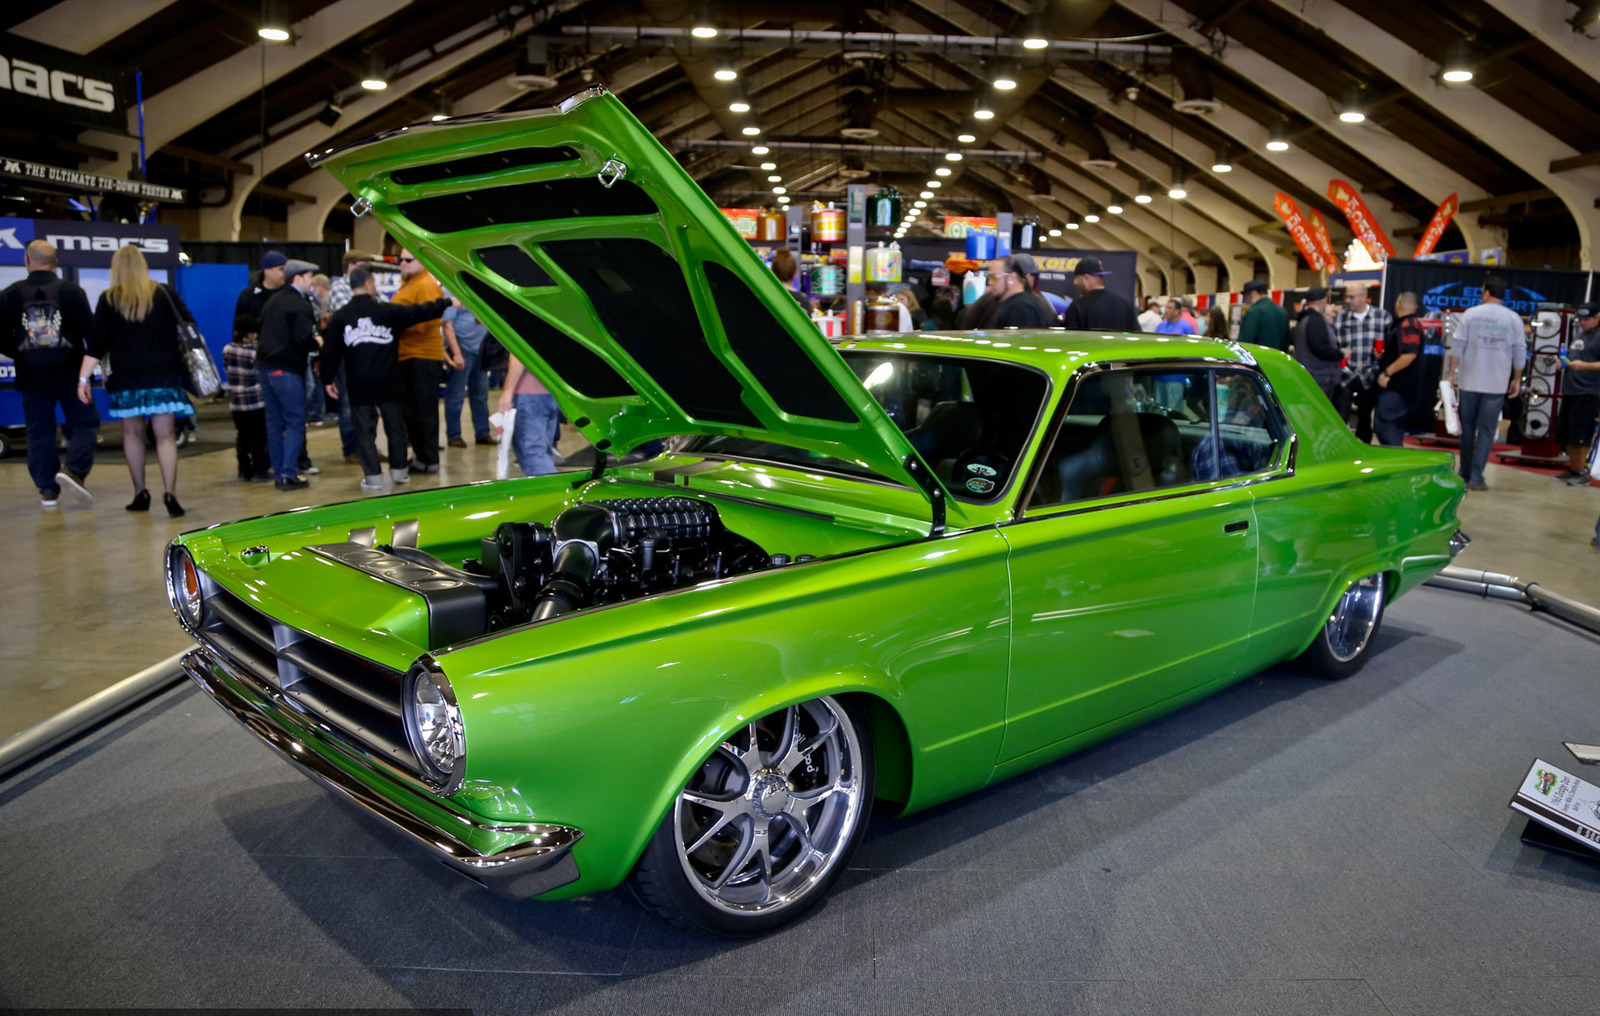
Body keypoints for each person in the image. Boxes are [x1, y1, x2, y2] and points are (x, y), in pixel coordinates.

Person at [77, 244, 194, 517]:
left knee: (132, 434)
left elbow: (96, 345)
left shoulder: (109, 299)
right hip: (164, 374)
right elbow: (189, 325)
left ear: (116, 269)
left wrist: (83, 379)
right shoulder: (164, 293)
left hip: (126, 377)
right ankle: (171, 493)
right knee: (164, 436)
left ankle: (140, 493)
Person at [320, 266, 451, 490]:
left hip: (359, 383)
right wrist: (447, 302)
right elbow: (421, 311)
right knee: (395, 428)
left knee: (365, 432)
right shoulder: (387, 312)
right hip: (389, 380)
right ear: (370, 283)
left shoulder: (341, 317)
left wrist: (327, 379)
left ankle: (373, 478)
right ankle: (399, 473)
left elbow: (330, 351)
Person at [0, 240, 98, 507]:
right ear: (55, 263)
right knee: (85, 423)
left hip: (31, 376)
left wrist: (19, 352)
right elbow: (91, 332)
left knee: (39, 432)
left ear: (27, 261)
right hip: (71, 372)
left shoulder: (10, 294)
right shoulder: (72, 292)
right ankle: (75, 471)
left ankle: (47, 490)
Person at [1448, 276, 1526, 492]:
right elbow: (1520, 350)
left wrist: (1451, 374)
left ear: (1486, 292)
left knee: (1467, 429)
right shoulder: (1513, 319)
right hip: (1497, 384)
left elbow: (1458, 345)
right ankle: (1476, 476)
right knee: (1486, 431)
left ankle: (1463, 473)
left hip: (1470, 381)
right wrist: (1517, 378)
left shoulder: (1471, 314)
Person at [255, 258, 322, 491]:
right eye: (310, 277)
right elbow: (303, 340)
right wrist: (318, 342)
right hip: (287, 369)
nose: (312, 282)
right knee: (294, 422)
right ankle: (288, 474)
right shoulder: (299, 304)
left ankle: (279, 471)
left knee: (273, 423)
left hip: (265, 368)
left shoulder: (272, 302)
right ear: (299, 278)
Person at [394, 248, 462, 474]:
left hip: (422, 355)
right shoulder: (410, 283)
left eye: (408, 260)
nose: (403, 263)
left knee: (423, 410)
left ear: (421, 261)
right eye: (400, 260)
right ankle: (422, 455)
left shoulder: (425, 285)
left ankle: (428, 458)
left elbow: (424, 323)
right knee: (412, 410)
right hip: (408, 354)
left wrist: (395, 324)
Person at [325, 249, 377, 465]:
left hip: (368, 356)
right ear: (351, 265)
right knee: (347, 404)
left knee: (370, 403)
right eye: (364, 265)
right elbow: (349, 316)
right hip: (347, 356)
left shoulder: (369, 286)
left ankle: (369, 447)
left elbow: (379, 309)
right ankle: (351, 448)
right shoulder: (338, 288)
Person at [1333, 284, 1392, 444]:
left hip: (1369, 374)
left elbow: (1391, 345)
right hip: (1345, 373)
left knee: (1365, 418)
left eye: (1351, 297)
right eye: (1347, 296)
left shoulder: (1382, 317)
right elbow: (1334, 346)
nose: (1347, 300)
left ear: (1363, 296)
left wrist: (1382, 354)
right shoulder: (1340, 318)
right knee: (1339, 416)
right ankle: (1339, 448)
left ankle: (1363, 449)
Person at [1555, 302, 1600, 486]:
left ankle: (1581, 470)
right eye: (1580, 319)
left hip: (1588, 390)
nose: (1582, 323)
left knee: (1582, 432)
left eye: (1586, 319)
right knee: (1569, 432)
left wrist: (1585, 366)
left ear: (1597, 318)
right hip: (1571, 388)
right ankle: (1573, 468)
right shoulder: (1580, 334)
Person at [1373, 292, 1426, 447]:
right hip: (1401, 387)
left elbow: (1409, 354)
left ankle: (1393, 463)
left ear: (1398, 304)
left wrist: (1387, 372)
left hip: (1398, 387)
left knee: (1386, 427)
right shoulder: (1406, 324)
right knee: (1387, 426)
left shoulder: (1408, 325)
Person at [223, 314, 272, 481]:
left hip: (236, 403)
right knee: (258, 438)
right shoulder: (254, 352)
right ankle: (260, 469)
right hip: (255, 402)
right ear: (249, 334)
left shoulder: (227, 349)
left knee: (242, 437)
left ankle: (243, 469)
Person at [442, 296, 495, 449]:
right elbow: (447, 325)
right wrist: (456, 353)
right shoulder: (452, 289)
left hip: (481, 348)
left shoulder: (479, 288)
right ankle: (454, 435)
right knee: (456, 395)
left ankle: (483, 432)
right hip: (462, 347)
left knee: (481, 394)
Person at [497, 354, 562, 476]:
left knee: (532, 453)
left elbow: (518, 355)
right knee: (543, 450)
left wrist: (507, 392)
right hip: (550, 392)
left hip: (529, 394)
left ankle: (552, 492)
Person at [1060, 256, 1140, 331]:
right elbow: (1138, 336)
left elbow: (1070, 341)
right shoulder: (1125, 303)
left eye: (1077, 278)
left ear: (1086, 277)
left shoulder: (1077, 306)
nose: (1075, 282)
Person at [1293, 286, 1342, 403]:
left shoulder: (1303, 319)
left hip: (1306, 375)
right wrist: (1341, 354)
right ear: (1325, 300)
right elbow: (1320, 348)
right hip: (1319, 377)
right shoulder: (1316, 320)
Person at [986, 254, 1054, 329]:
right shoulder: (1013, 305)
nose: (990, 282)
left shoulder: (1022, 308)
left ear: (1011, 277)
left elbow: (1023, 340)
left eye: (994, 277)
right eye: (989, 277)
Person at [1236, 280, 1289, 351]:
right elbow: (1288, 340)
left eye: (1246, 296)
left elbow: (1245, 342)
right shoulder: (1283, 312)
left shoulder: (1253, 312)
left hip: (1259, 359)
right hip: (1278, 360)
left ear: (1253, 293)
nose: (1246, 300)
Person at [234, 250, 286, 319]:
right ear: (267, 270)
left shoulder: (290, 294)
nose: (285, 273)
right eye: (281, 269)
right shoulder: (248, 295)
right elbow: (239, 324)